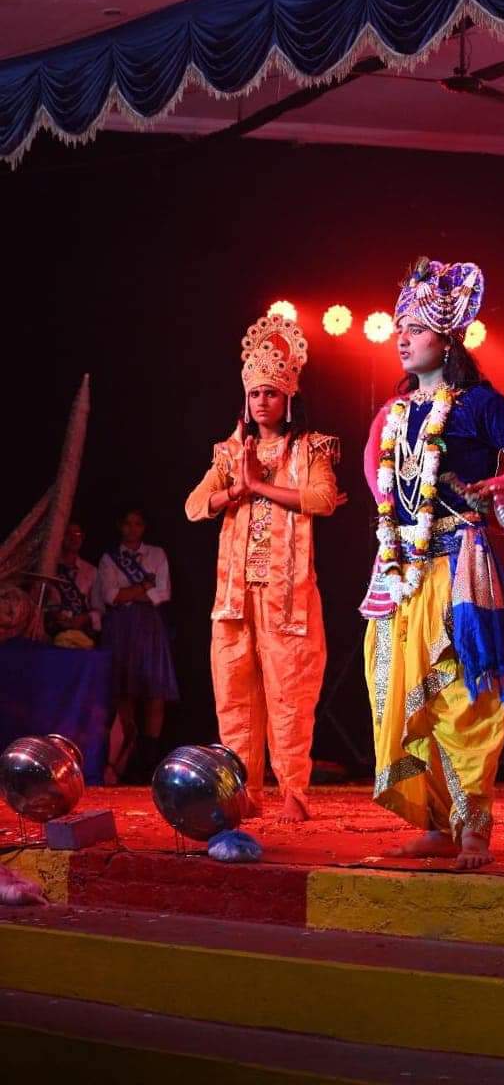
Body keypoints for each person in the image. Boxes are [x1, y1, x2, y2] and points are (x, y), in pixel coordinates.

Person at [361, 257, 504, 870]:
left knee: (460, 697)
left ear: (447, 340)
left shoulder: (477, 404)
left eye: (416, 329)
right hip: (400, 569)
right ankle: (436, 822)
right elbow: (376, 473)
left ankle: (473, 824)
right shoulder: (393, 414)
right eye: (400, 328)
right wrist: (396, 526)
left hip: (457, 567)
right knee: (394, 691)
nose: (402, 339)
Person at [185, 313, 344, 822]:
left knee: (290, 690)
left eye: (271, 393)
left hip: (287, 593)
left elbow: (322, 499)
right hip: (235, 594)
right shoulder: (230, 453)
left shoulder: (310, 448)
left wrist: (261, 487)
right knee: (234, 691)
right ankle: (242, 789)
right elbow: (194, 506)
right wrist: (236, 487)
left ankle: (294, 790)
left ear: (288, 397)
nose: (261, 402)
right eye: (254, 393)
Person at [95, 507, 178, 783]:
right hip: (121, 626)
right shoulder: (109, 558)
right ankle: (126, 756)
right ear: (120, 526)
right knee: (124, 690)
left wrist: (129, 593)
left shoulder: (157, 554)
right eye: (128, 523)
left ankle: (150, 759)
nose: (132, 529)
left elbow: (163, 593)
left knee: (155, 690)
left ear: (144, 527)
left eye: (138, 524)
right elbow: (110, 595)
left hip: (150, 626)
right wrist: (144, 586)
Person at [45, 519, 101, 644]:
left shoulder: (91, 571)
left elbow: (99, 610)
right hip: (49, 635)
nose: (73, 537)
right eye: (68, 533)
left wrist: (84, 618)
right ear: (59, 535)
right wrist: (52, 615)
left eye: (77, 534)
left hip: (81, 636)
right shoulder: (48, 567)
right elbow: (35, 603)